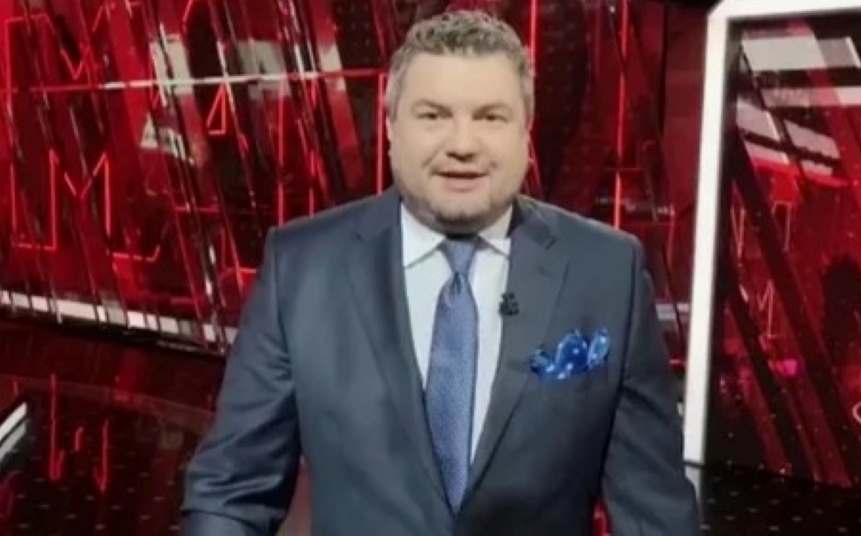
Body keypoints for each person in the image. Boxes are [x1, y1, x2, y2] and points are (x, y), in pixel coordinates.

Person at [182, 10, 698, 536]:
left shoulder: (607, 271)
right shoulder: (302, 267)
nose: (462, 144)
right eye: (433, 116)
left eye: (490, 117)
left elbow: (655, 513)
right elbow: (231, 493)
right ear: (391, 127)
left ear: (525, 131)